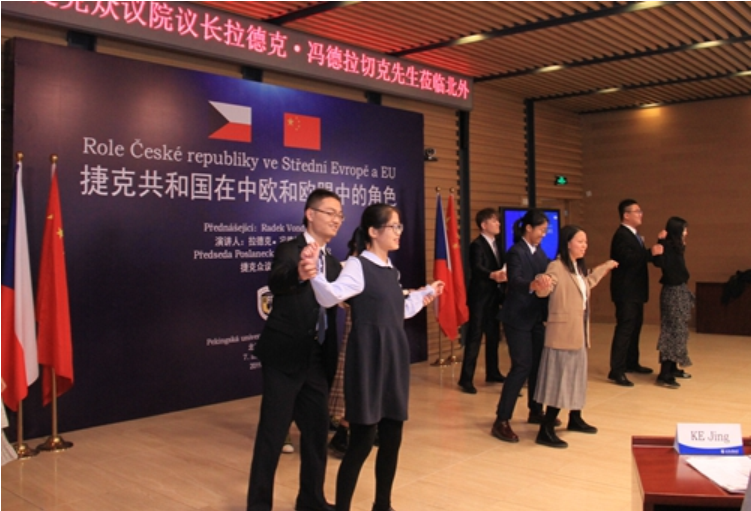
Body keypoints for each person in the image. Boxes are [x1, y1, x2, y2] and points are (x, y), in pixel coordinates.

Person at [301, 203, 444, 511]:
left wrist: (425, 293)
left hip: (394, 356)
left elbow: (398, 310)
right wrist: (314, 273)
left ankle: (383, 505)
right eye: (394, 226)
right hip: (367, 358)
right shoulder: (357, 265)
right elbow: (329, 296)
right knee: (362, 442)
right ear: (373, 231)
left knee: (392, 437)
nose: (399, 233)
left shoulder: (392, 270)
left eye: (399, 226)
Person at [247, 189, 344, 511]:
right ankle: (258, 506)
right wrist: (300, 274)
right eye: (330, 212)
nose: (336, 220)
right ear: (310, 214)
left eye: (340, 215)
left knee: (316, 435)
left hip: (316, 357)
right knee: (272, 435)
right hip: (285, 356)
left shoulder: (333, 262)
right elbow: (277, 281)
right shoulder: (290, 249)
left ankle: (311, 500)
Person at [533, 225, 618, 448]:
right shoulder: (557, 266)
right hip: (562, 334)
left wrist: (605, 267)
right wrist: (540, 284)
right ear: (568, 243)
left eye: (586, 242)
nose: (584, 245)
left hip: (578, 332)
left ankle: (575, 417)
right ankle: (546, 429)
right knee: (559, 381)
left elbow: (587, 284)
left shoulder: (578, 268)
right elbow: (545, 286)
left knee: (577, 378)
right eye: (580, 241)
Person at [491, 209, 554, 444]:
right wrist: (532, 285)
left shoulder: (540, 253)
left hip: (535, 317)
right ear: (528, 228)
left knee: (538, 365)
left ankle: (535, 410)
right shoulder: (516, 252)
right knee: (522, 366)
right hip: (516, 317)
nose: (543, 234)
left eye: (545, 231)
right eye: (541, 230)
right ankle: (502, 419)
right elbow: (515, 281)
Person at [608, 199, 664, 387]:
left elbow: (639, 258)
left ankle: (631, 362)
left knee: (635, 327)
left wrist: (654, 249)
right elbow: (627, 259)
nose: (641, 214)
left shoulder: (634, 235)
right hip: (626, 291)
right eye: (637, 211)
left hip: (636, 290)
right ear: (626, 215)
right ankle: (616, 370)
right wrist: (649, 253)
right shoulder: (621, 235)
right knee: (625, 329)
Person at [458, 208, 508, 394]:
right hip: (479, 297)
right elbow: (477, 268)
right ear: (484, 225)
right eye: (494, 221)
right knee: (475, 336)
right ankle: (466, 379)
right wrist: (493, 274)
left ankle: (492, 372)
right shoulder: (476, 245)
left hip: (494, 296)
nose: (498, 224)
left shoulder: (498, 244)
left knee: (494, 335)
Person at [653, 217, 693, 389]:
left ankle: (674, 367)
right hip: (672, 291)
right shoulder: (667, 246)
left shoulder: (677, 247)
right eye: (684, 229)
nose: (686, 233)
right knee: (672, 331)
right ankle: (665, 373)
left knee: (680, 331)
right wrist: (660, 240)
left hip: (679, 289)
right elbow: (658, 261)